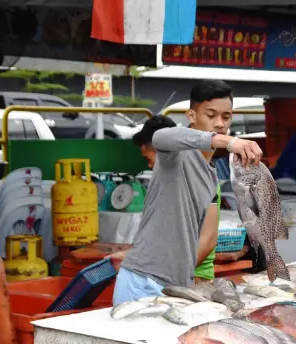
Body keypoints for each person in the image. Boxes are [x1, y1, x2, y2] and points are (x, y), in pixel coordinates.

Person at [108, 80, 263, 304]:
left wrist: (182, 273)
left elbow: (208, 237)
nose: (219, 123)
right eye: (211, 115)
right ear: (191, 116)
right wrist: (229, 142)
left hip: (175, 287)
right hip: (142, 282)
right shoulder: (176, 153)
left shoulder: (211, 178)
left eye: (226, 117)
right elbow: (161, 137)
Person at [131, 113, 221, 282]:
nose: (149, 166)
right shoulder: (169, 183)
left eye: (148, 159)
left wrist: (175, 272)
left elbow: (208, 239)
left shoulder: (197, 178)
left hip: (193, 277)